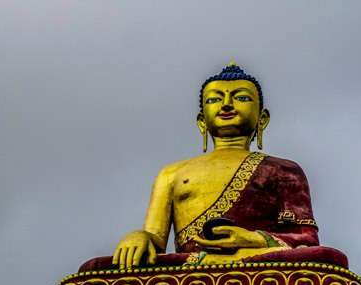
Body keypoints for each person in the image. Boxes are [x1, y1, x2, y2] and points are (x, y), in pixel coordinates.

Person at [82, 63, 347, 272]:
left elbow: (306, 240)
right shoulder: (172, 173)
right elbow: (155, 239)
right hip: (187, 270)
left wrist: (251, 240)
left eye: (241, 97)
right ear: (201, 121)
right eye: (214, 99)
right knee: (92, 273)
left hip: (256, 265)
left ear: (262, 118)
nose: (227, 105)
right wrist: (138, 237)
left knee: (327, 261)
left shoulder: (283, 169)